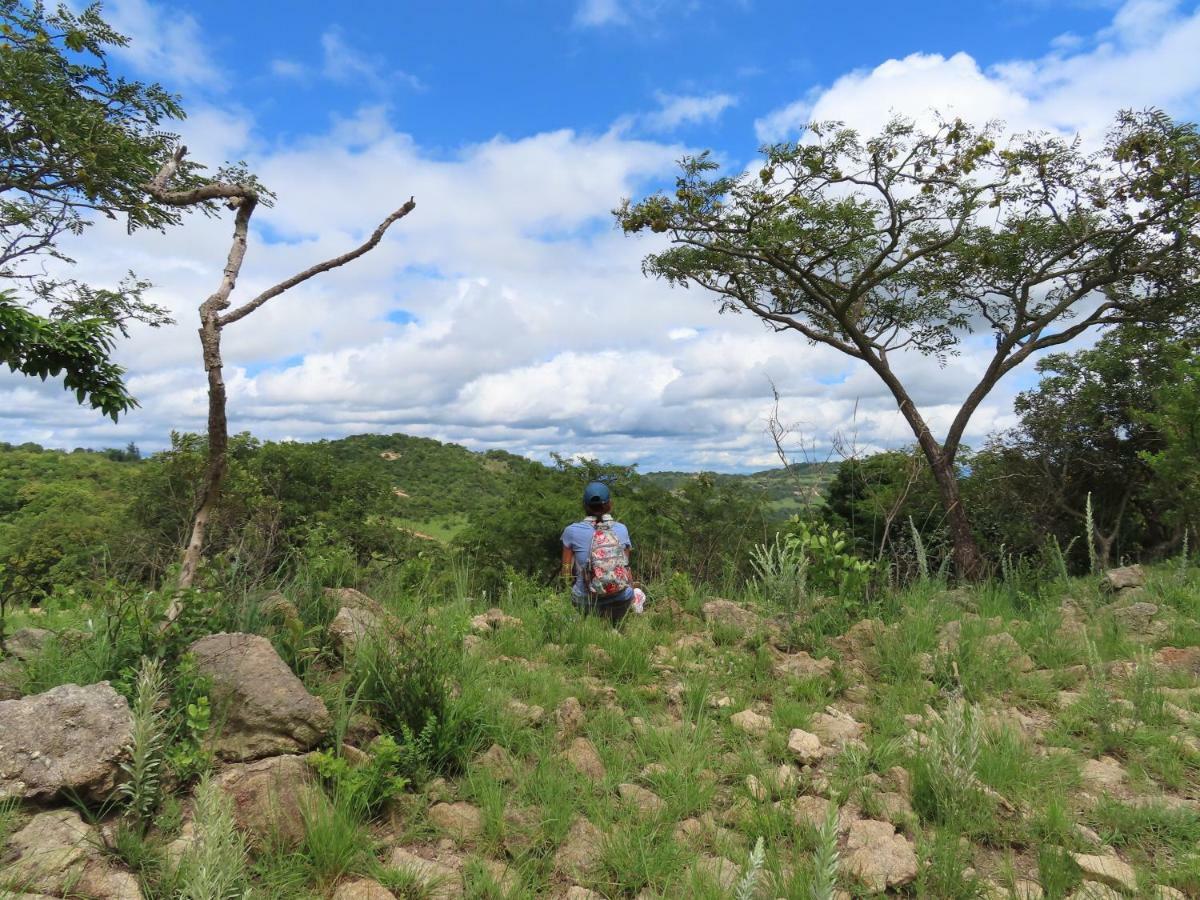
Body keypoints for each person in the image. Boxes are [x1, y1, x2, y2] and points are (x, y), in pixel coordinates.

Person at [561, 480, 635, 622]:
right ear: (609, 505)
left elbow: (565, 572)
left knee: (577, 594)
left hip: (586, 602)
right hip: (619, 599)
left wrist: (568, 591)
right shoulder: (622, 529)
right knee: (634, 592)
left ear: (584, 505)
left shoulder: (571, 531)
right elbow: (625, 567)